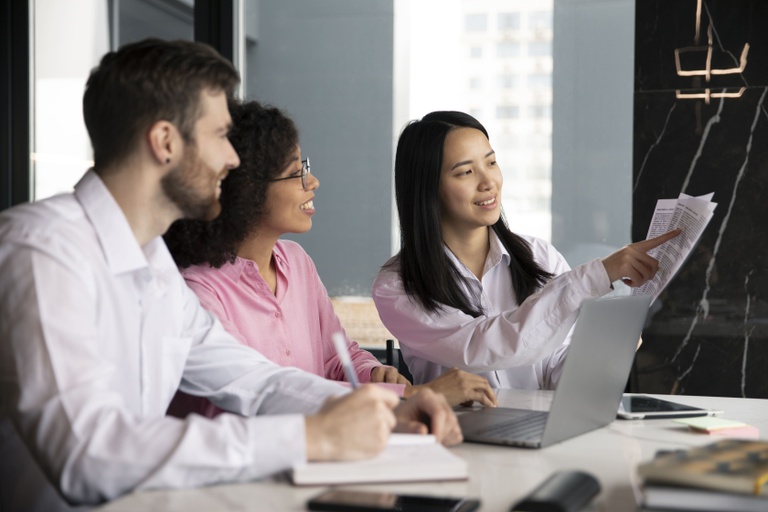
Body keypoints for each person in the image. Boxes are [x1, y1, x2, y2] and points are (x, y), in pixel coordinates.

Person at [0, 40, 460, 512]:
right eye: (220, 135)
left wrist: (383, 408)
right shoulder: (42, 251)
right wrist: (308, 436)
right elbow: (87, 456)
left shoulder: (152, 263)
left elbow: (255, 380)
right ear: (165, 142)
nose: (234, 159)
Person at [162, 100, 497, 413]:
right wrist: (412, 396)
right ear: (246, 190)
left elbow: (338, 357)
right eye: (297, 173)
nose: (313, 182)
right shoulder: (198, 291)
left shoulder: (296, 261)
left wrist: (373, 374)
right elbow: (265, 396)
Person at [372, 111, 679, 390]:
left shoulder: (538, 256)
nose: (488, 181)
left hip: (535, 434)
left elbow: (557, 372)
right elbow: (486, 348)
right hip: (456, 441)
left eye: (491, 162)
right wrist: (599, 274)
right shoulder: (399, 285)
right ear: (428, 188)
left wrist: (608, 349)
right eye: (466, 172)